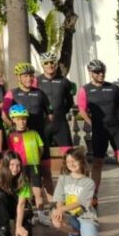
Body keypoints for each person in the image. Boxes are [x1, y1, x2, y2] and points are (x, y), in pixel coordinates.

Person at [77, 59, 119, 199]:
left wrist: (112, 119)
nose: (101, 74)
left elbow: (118, 107)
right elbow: (82, 110)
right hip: (99, 131)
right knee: (98, 163)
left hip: (115, 129)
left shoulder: (114, 88)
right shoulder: (85, 90)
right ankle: (94, 195)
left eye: (103, 72)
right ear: (91, 73)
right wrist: (93, 123)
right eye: (97, 72)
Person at [36, 53, 75, 189]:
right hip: (43, 124)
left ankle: (71, 188)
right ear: (42, 65)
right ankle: (46, 193)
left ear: (56, 64)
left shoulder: (64, 81)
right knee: (42, 160)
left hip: (60, 123)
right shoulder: (37, 81)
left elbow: (70, 102)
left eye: (52, 62)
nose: (50, 65)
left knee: (70, 157)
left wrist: (60, 112)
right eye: (46, 63)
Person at [5, 103, 49, 222]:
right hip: (20, 167)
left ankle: (41, 214)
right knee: (23, 191)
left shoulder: (34, 133)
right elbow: (10, 154)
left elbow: (41, 148)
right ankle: (28, 213)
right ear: (13, 120)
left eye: (24, 119)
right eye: (19, 119)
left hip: (33, 165)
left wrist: (36, 159)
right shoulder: (10, 136)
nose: (22, 122)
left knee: (37, 190)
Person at [51, 146, 100, 236]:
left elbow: (80, 202)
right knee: (56, 220)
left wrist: (61, 209)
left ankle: (91, 234)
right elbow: (60, 198)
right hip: (70, 217)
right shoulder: (63, 178)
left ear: (81, 161)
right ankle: (75, 233)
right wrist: (60, 211)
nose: (71, 164)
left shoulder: (89, 182)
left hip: (85, 217)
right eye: (68, 162)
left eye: (74, 161)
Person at [0, 153, 33, 236]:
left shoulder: (24, 179)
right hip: (6, 206)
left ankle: (19, 224)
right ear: (6, 165)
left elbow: (21, 204)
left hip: (20, 208)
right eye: (12, 165)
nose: (15, 168)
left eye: (18, 165)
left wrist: (18, 227)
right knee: (0, 195)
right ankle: (4, 230)